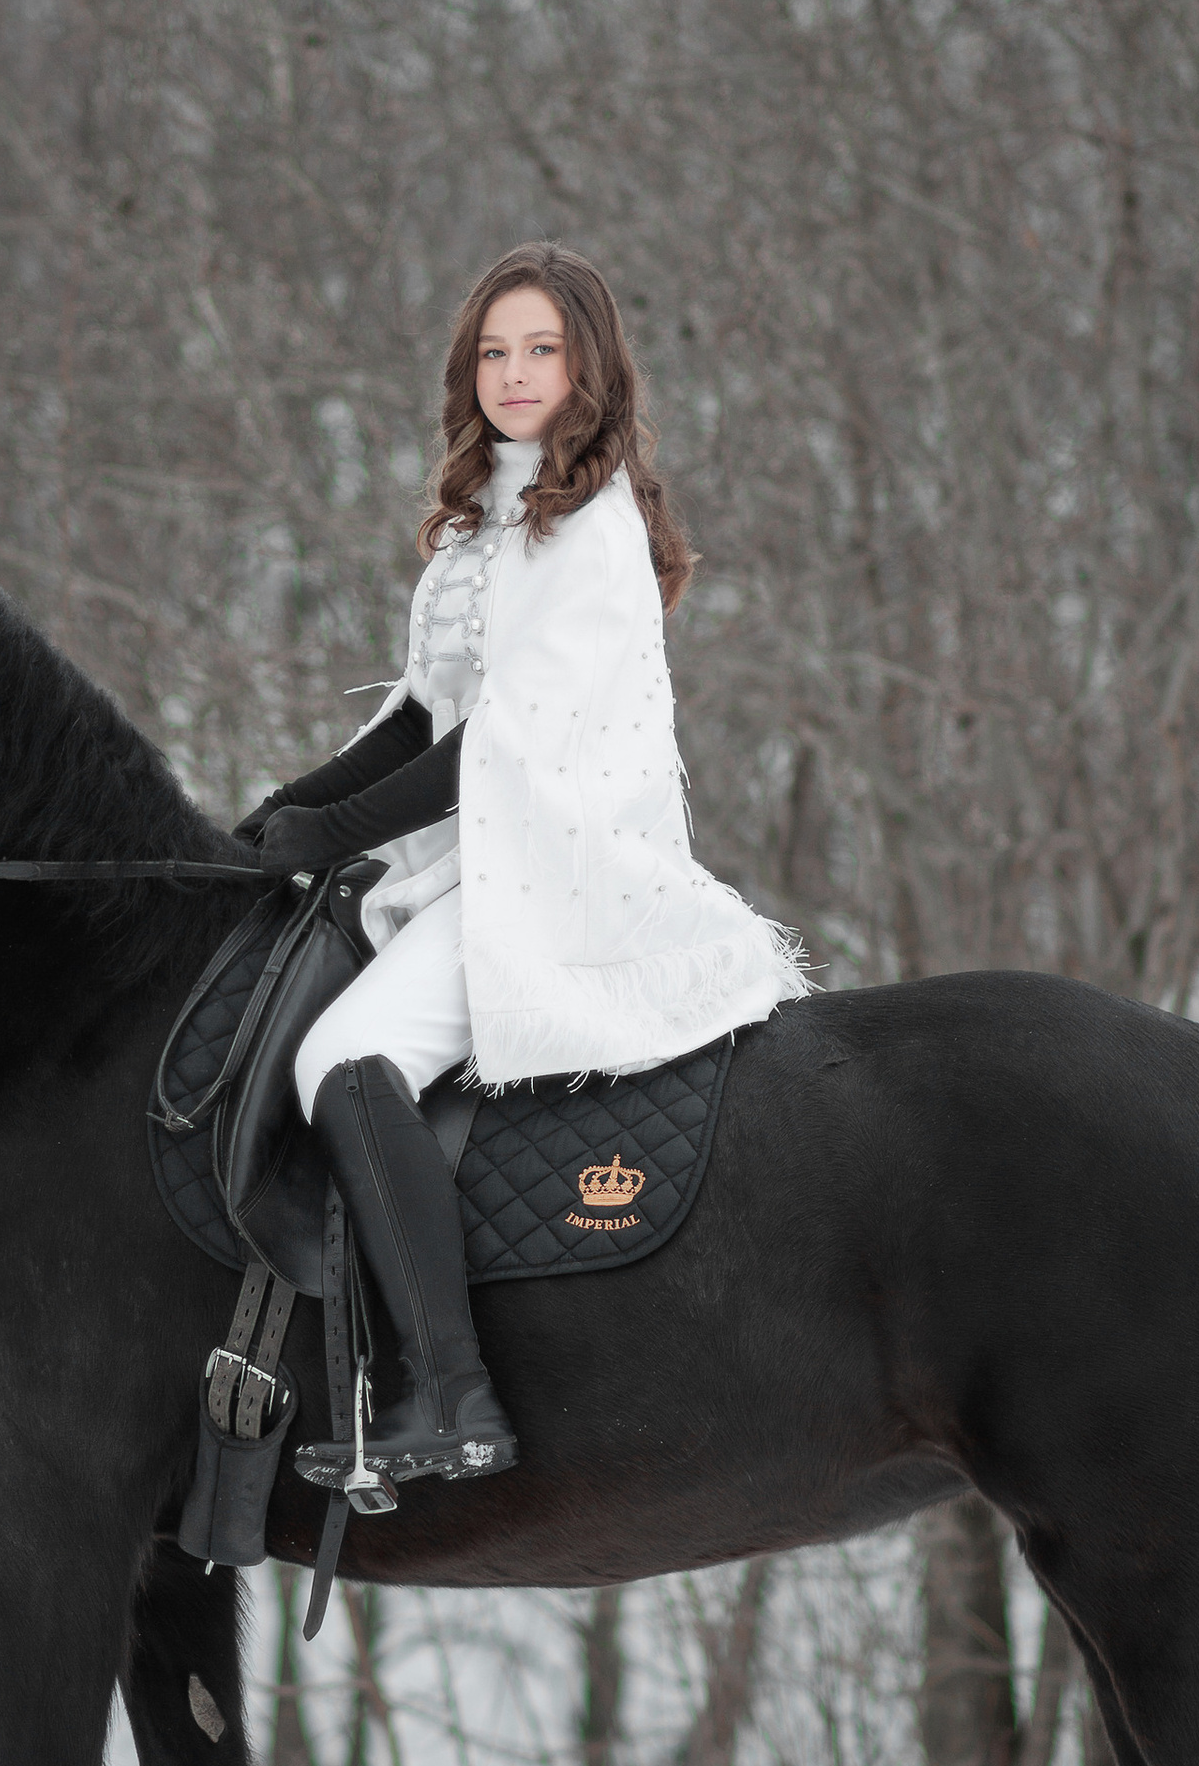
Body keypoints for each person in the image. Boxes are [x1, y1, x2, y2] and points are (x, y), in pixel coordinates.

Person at [232, 241, 807, 1484]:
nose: (514, 372)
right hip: (475, 856)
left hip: (556, 862)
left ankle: (452, 1394)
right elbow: (416, 720)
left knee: (345, 1058)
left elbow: (501, 745)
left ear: (589, 364)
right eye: (493, 351)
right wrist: (282, 811)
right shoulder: (476, 525)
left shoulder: (590, 528)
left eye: (541, 348)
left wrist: (332, 835)